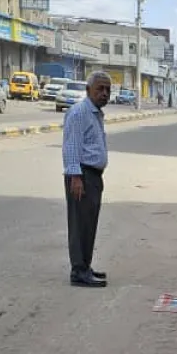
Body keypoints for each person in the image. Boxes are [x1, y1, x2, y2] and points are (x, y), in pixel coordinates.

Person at [63, 71, 113, 287]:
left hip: (92, 176)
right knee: (80, 225)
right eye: (99, 89)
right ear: (88, 90)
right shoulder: (80, 113)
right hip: (81, 176)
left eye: (107, 90)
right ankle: (79, 271)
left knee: (89, 224)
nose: (104, 94)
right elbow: (71, 146)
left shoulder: (95, 113)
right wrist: (76, 177)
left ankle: (85, 265)